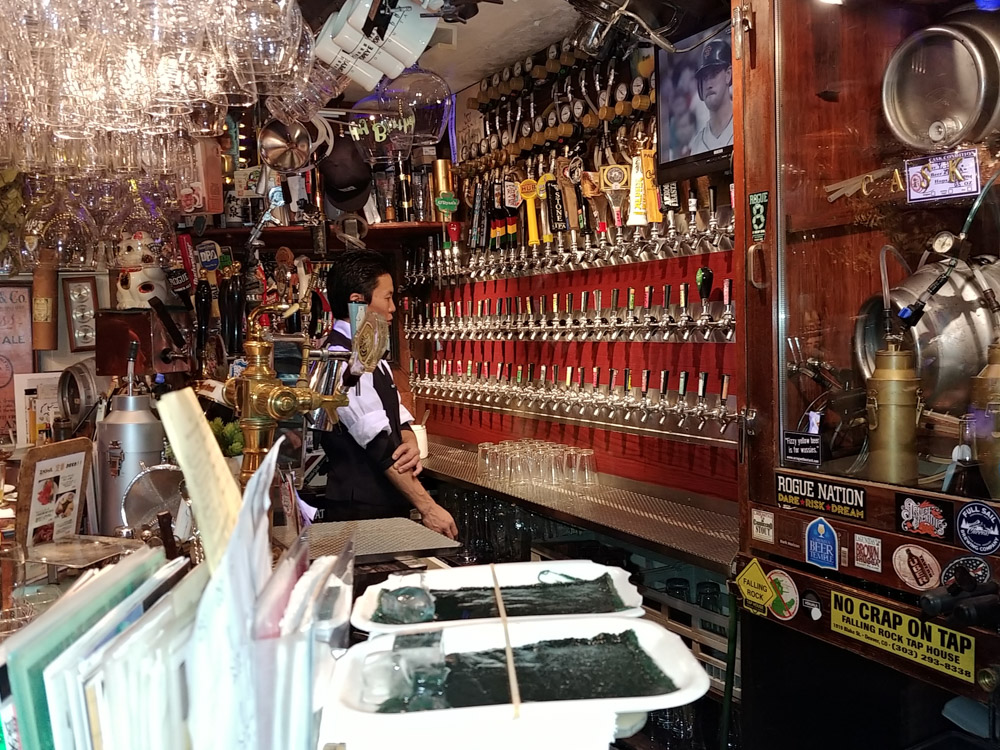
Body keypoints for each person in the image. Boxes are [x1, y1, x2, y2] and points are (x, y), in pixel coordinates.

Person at [313, 249, 458, 539]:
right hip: (361, 515)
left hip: (382, 506)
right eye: (387, 297)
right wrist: (428, 508)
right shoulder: (343, 359)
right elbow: (378, 445)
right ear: (357, 301)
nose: (393, 308)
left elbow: (397, 415)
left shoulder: (370, 352)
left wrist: (409, 440)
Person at [690, 39, 734, 154]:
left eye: (714, 74)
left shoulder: (746, 126)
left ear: (728, 74)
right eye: (705, 77)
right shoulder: (697, 144)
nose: (708, 84)